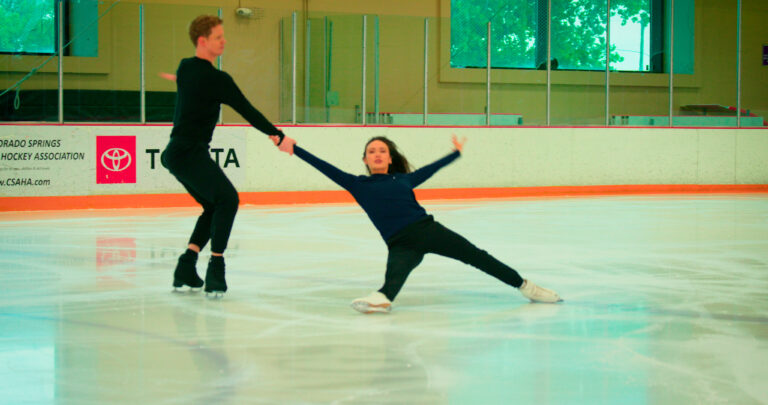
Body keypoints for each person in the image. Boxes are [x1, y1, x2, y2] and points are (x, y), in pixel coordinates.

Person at [270, 134, 562, 313]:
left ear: (390, 157)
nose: (377, 154)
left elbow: (431, 169)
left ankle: (526, 286)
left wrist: (455, 153)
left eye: (382, 150)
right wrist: (293, 148)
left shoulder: (403, 179)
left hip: (429, 231)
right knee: (390, 285)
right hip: (400, 244)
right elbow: (324, 166)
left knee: (478, 257)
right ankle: (381, 299)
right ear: (365, 160)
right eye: (372, 151)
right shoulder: (356, 184)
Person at [162, 15, 291, 297]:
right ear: (202, 41)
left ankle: (186, 266)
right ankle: (216, 267)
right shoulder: (217, 79)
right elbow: (246, 109)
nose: (224, 41)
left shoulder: (184, 68)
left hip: (176, 153)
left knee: (213, 206)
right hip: (189, 153)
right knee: (228, 199)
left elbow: (186, 81)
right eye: (219, 37)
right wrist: (276, 135)